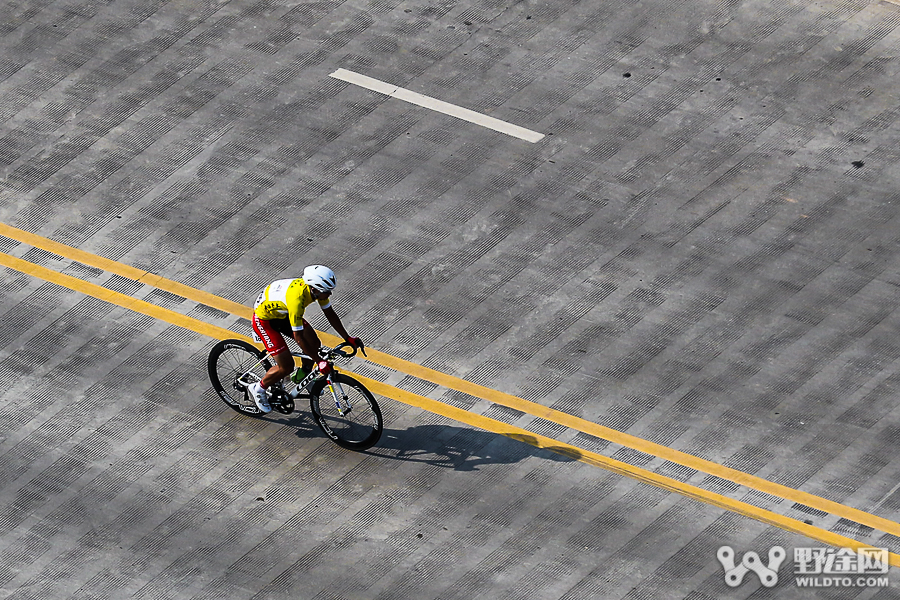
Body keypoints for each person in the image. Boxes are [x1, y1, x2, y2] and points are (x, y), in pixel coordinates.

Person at [248, 265, 360, 413]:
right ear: (314, 289)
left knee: (314, 343)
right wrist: (319, 361)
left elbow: (330, 313)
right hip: (265, 320)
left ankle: (302, 376)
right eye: (326, 292)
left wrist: (348, 337)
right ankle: (258, 388)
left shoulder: (315, 291)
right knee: (286, 366)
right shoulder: (297, 301)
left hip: (282, 313)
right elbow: (299, 337)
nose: (329, 294)